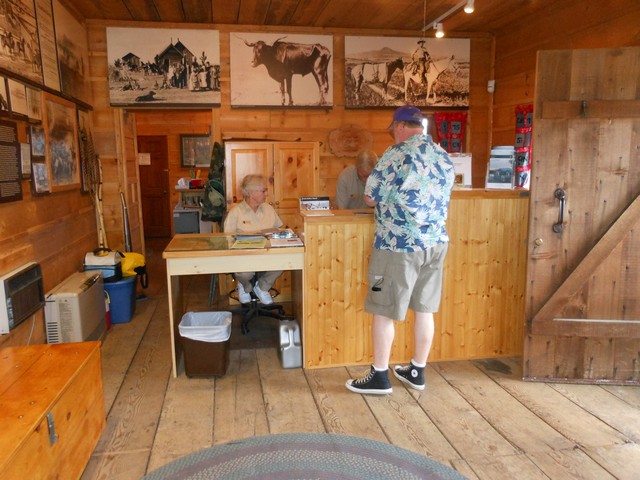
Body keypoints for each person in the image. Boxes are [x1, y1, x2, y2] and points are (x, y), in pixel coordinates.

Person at [346, 105, 455, 395]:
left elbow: (369, 197)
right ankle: (417, 370)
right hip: (435, 243)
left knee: (383, 310)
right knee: (425, 309)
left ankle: (380, 376)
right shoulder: (443, 155)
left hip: (398, 245)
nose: (394, 135)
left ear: (400, 127)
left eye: (394, 130)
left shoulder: (396, 154)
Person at [224, 174, 283, 305]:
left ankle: (262, 287)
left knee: (285, 261)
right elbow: (227, 240)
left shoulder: (269, 209)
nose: (266, 193)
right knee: (245, 273)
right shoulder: (235, 213)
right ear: (251, 193)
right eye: (263, 190)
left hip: (268, 254)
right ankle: (245, 287)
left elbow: (278, 231)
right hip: (244, 256)